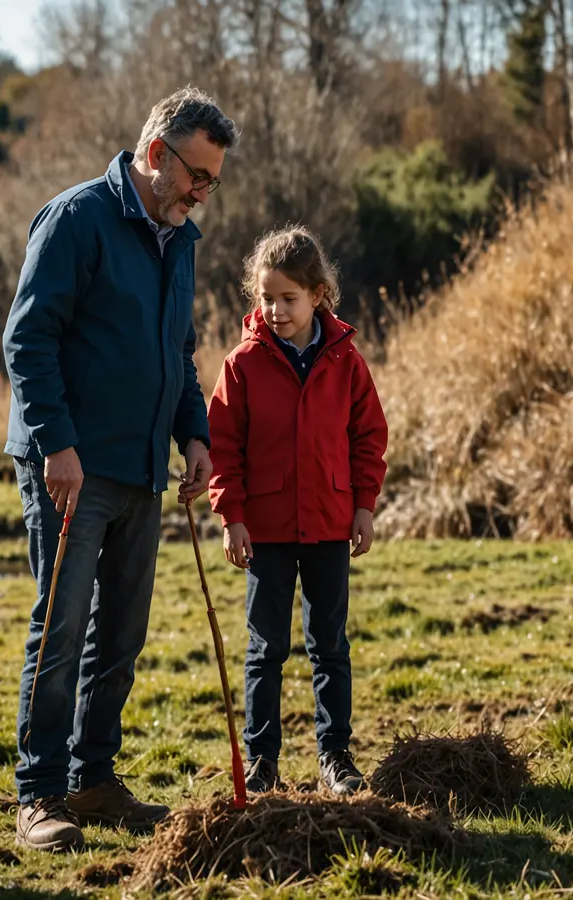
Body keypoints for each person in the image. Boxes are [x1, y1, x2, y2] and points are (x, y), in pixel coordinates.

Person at [2, 87, 238, 852]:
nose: (203, 194)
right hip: (71, 466)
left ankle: (94, 778)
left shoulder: (182, 239)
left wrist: (194, 436)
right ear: (156, 154)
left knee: (123, 633)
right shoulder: (76, 219)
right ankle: (39, 794)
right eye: (196, 176)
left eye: (212, 181)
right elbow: (28, 341)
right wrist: (56, 444)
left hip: (141, 467)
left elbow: (177, 350)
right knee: (61, 627)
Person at [206, 225, 388, 797]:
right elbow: (224, 448)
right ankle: (262, 763)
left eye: (288, 298)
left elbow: (368, 437)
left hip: (332, 524)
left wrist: (364, 505)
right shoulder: (241, 366)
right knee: (266, 649)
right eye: (266, 298)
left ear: (317, 296)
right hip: (266, 531)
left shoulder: (347, 362)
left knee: (329, 645)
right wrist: (231, 515)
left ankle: (335, 757)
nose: (276, 310)